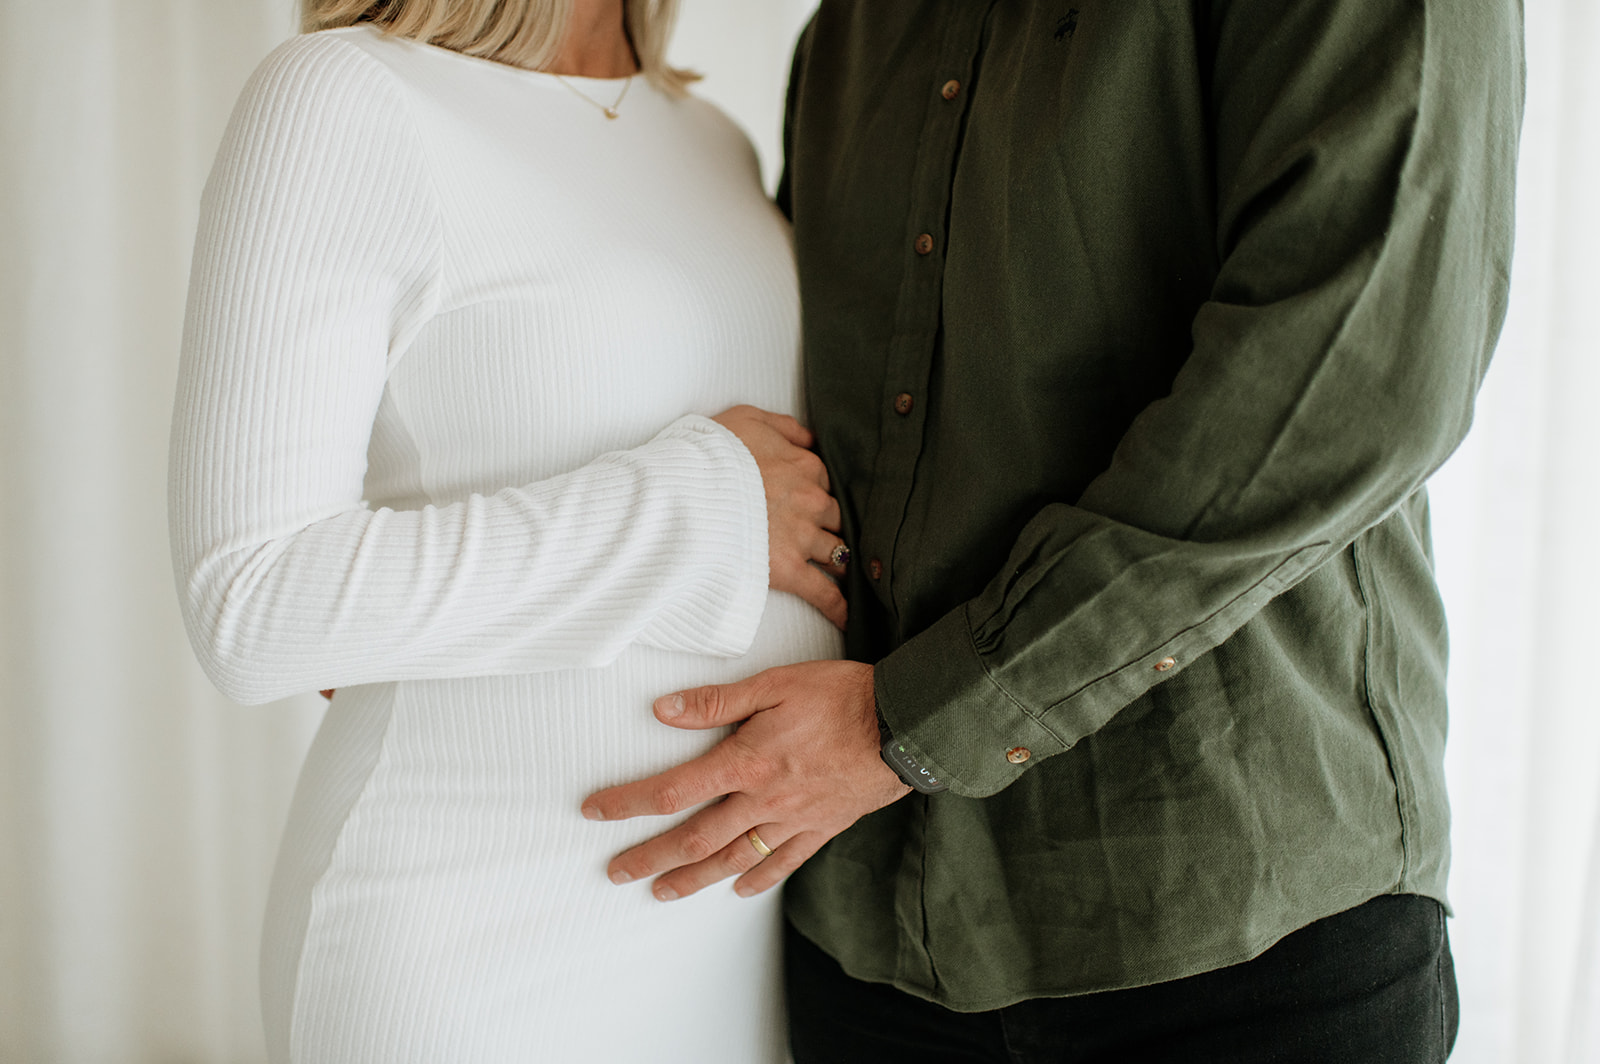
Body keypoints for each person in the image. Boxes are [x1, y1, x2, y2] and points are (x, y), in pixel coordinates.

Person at [582, 1, 1525, 1060]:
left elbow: (1349, 380)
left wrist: (909, 721)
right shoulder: (853, 28)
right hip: (868, 939)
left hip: (1239, 933)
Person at [167, 1, 848, 1060]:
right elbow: (254, 603)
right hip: (472, 930)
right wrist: (706, 507)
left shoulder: (710, 137)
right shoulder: (345, 95)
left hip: (729, 928)